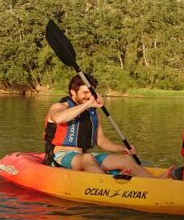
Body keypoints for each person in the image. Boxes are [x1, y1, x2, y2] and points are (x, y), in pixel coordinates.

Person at [43, 74, 171, 178]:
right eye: (85, 92)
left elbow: (101, 141)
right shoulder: (59, 107)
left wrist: (122, 149)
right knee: (87, 159)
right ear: (73, 92)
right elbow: (59, 118)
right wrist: (88, 105)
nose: (89, 96)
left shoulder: (94, 114)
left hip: (84, 157)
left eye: (91, 92)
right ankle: (109, 184)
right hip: (60, 158)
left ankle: (154, 183)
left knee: (125, 160)